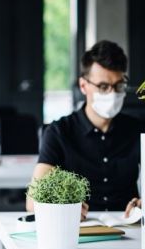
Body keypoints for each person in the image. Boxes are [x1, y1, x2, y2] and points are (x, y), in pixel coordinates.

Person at [26, 40, 145, 218]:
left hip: (131, 233)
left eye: (119, 86)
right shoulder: (59, 132)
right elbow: (33, 202)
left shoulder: (137, 129)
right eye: (103, 87)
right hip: (78, 232)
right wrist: (63, 207)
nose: (112, 94)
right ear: (83, 85)